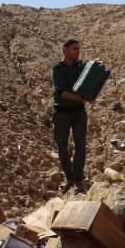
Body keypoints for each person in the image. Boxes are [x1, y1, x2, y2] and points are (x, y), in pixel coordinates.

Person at [51, 39, 97, 193]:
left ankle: (78, 178)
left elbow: (92, 69)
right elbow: (62, 93)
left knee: (80, 146)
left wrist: (97, 64)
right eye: (74, 49)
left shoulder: (81, 65)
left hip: (78, 113)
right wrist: (81, 98)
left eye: (79, 49)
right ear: (65, 50)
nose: (78, 51)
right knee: (62, 147)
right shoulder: (57, 69)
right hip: (62, 113)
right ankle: (69, 177)